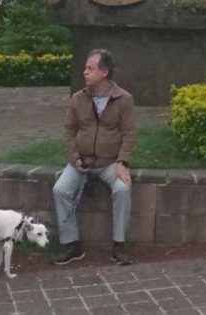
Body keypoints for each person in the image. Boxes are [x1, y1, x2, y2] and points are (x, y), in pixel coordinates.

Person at [52, 49, 137, 266]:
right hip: (82, 161)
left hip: (109, 163)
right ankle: (72, 244)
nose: (85, 72)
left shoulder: (124, 99)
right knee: (60, 189)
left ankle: (119, 245)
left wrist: (123, 162)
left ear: (104, 72)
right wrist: (74, 158)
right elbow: (69, 131)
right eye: (85, 68)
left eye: (90, 68)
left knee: (122, 189)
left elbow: (129, 133)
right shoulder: (78, 99)